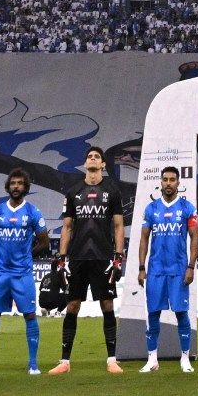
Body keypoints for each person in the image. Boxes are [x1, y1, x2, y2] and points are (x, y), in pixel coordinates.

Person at [51, 146, 126, 374]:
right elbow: (66, 227)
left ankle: (112, 359)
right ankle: (64, 362)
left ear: (103, 165)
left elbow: (118, 226)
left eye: (97, 157)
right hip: (78, 257)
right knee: (72, 305)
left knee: (107, 304)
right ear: (85, 164)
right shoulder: (73, 192)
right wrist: (62, 258)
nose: (92, 159)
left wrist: (118, 256)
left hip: (103, 256)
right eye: (89, 157)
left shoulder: (112, 192)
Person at [0, 169, 48, 375]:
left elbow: (43, 243)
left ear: (26, 187)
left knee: (30, 315)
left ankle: (33, 364)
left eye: (20, 183)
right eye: (13, 183)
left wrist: (25, 255)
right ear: (8, 187)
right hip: (0, 273)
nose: (16, 186)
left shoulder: (33, 212)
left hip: (23, 273)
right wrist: (3, 255)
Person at [136, 165, 198, 373]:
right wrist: (141, 267)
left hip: (179, 270)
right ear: (161, 182)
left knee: (182, 313)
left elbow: (195, 237)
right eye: (165, 179)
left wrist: (191, 266)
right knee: (153, 314)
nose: (169, 183)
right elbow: (144, 238)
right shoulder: (151, 209)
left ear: (179, 183)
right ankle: (152, 359)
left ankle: (184, 358)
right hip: (155, 271)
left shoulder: (187, 208)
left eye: (173, 179)